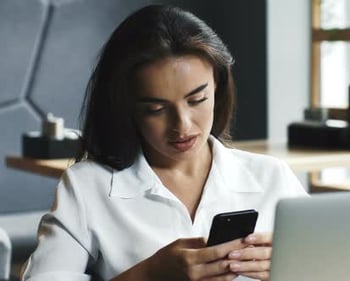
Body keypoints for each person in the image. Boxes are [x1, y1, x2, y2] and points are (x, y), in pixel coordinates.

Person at [21, 4, 307, 281]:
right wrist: (150, 274)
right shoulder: (87, 187)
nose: (182, 125)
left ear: (218, 87)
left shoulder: (271, 177)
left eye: (197, 100)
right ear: (126, 106)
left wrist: (296, 272)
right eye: (156, 109)